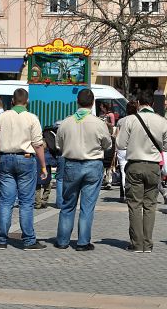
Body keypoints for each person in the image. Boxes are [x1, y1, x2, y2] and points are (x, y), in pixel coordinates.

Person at [54, 89, 112, 251]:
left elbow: (59, 145)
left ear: (77, 102)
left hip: (71, 164)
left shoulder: (66, 122)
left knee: (68, 205)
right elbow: (108, 144)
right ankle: (83, 242)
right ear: (93, 103)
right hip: (93, 165)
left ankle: (63, 241)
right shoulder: (99, 123)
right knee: (87, 206)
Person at [0, 88, 47, 250]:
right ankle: (29, 240)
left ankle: (1, 240)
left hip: (6, 158)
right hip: (26, 159)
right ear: (27, 101)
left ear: (13, 101)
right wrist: (43, 166)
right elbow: (38, 144)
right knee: (26, 202)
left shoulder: (3, 116)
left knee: (6, 202)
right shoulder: (32, 118)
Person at [116, 90, 167, 253]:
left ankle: (137, 243)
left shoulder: (130, 120)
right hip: (154, 166)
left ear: (138, 103)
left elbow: (120, 144)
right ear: (153, 104)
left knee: (134, 205)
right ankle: (147, 243)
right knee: (150, 205)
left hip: (135, 164)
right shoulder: (162, 121)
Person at [115, 101, 138, 203]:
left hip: (122, 149)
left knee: (123, 172)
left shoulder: (121, 121)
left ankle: (123, 195)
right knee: (134, 171)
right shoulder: (138, 120)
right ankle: (133, 194)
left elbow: (117, 136)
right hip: (133, 148)